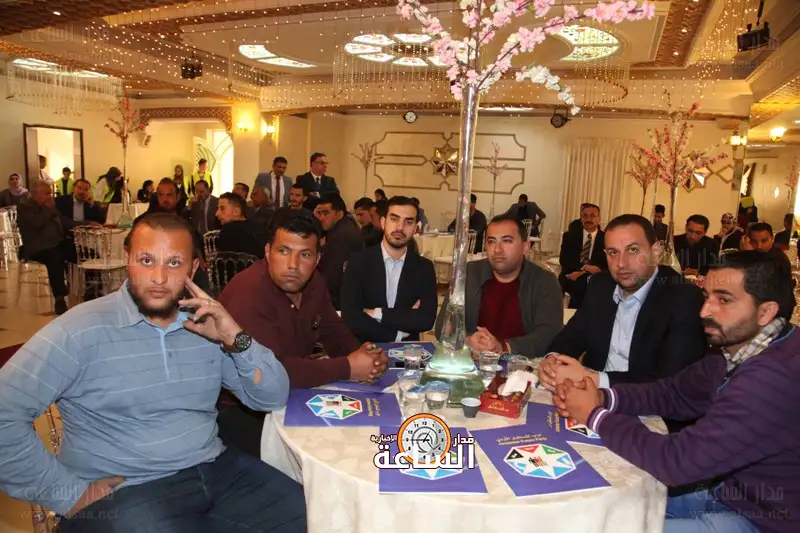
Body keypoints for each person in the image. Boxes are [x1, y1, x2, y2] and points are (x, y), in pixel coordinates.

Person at [0, 212, 307, 531]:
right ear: (127, 259)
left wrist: (235, 338)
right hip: (129, 489)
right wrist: (69, 495)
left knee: (315, 517)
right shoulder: (79, 330)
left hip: (216, 469)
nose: (159, 277)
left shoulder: (205, 325)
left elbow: (273, 397)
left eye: (174, 263)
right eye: (146, 261)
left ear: (193, 269)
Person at [552, 251, 799, 533]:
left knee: (609, 525)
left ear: (766, 312)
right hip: (728, 492)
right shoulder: (737, 348)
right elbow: (675, 393)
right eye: (706, 296)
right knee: (597, 511)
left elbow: (676, 462)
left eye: (724, 300)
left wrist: (594, 414)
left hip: (764, 521)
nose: (705, 311)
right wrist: (603, 397)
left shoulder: (772, 378)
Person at [217, 210, 388, 453]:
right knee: (334, 450)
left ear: (318, 259)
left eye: (305, 254)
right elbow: (274, 373)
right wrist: (348, 367)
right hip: (245, 411)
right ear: (268, 252)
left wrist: (365, 357)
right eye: (283, 251)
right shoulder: (248, 294)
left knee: (368, 439)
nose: (293, 265)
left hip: (295, 392)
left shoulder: (313, 282)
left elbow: (333, 330)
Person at [541, 215, 707, 430]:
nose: (621, 263)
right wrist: (553, 360)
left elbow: (670, 381)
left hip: (652, 416)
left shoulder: (684, 298)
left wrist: (594, 378)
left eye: (633, 250)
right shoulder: (601, 285)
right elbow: (571, 335)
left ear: (656, 251)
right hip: (588, 402)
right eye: (613, 252)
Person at [436, 215, 563, 358]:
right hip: (471, 361)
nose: (497, 249)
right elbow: (443, 326)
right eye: (491, 241)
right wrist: (467, 340)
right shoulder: (468, 274)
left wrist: (502, 347)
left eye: (507, 241)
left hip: (520, 365)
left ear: (525, 247)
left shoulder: (544, 281)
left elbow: (548, 335)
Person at [342, 196, 437, 343]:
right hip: (366, 348)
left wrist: (377, 313)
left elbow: (426, 320)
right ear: (383, 222)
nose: (400, 227)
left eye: (408, 222)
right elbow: (351, 317)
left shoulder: (424, 267)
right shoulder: (358, 262)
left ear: (415, 228)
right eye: (394, 219)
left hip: (408, 352)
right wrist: (395, 334)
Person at [17, 181, 82, 314]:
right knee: (55, 257)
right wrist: (49, 209)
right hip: (38, 248)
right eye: (46, 193)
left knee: (85, 253)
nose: (50, 196)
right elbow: (36, 223)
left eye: (50, 193)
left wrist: (87, 223)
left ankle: (92, 289)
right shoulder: (25, 207)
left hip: (57, 243)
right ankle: (59, 298)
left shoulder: (49, 207)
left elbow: (65, 222)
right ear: (35, 194)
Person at [314, 193, 364, 310]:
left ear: (339, 214)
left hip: (338, 303)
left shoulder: (341, 236)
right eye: (320, 213)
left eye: (326, 213)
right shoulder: (343, 227)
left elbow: (333, 277)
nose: (321, 218)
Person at [559, 203, 607, 309]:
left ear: (599, 219)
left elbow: (607, 264)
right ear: (581, 218)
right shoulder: (569, 236)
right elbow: (564, 260)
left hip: (595, 277)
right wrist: (584, 268)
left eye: (592, 216)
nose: (588, 219)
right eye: (585, 216)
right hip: (571, 274)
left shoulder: (606, 239)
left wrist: (583, 272)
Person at [216, 192, 265, 258]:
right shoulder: (259, 227)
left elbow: (224, 262)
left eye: (222, 208)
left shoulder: (228, 230)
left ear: (236, 211)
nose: (217, 213)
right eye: (218, 209)